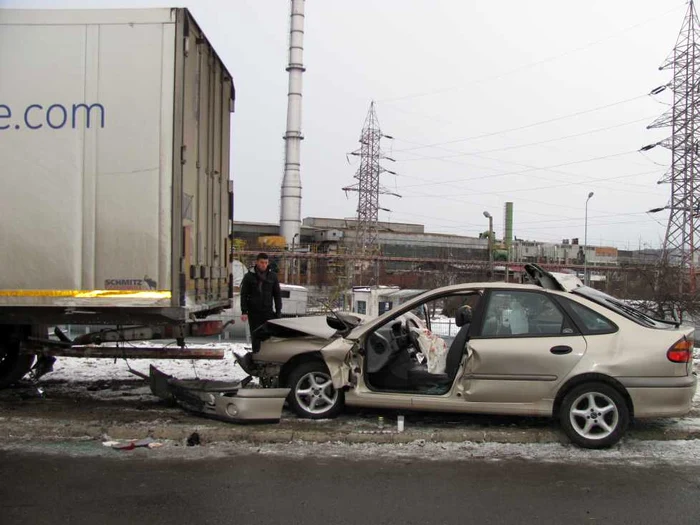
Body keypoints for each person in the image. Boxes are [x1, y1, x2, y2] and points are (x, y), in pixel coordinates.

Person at [240, 252, 282, 351]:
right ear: (257, 262)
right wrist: (244, 311)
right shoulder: (249, 276)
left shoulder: (272, 276)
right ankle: (256, 355)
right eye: (262, 262)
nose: (264, 265)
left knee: (268, 336)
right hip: (254, 312)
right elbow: (244, 294)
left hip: (268, 311)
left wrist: (278, 311)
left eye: (266, 263)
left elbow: (277, 295)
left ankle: (266, 357)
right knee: (255, 335)